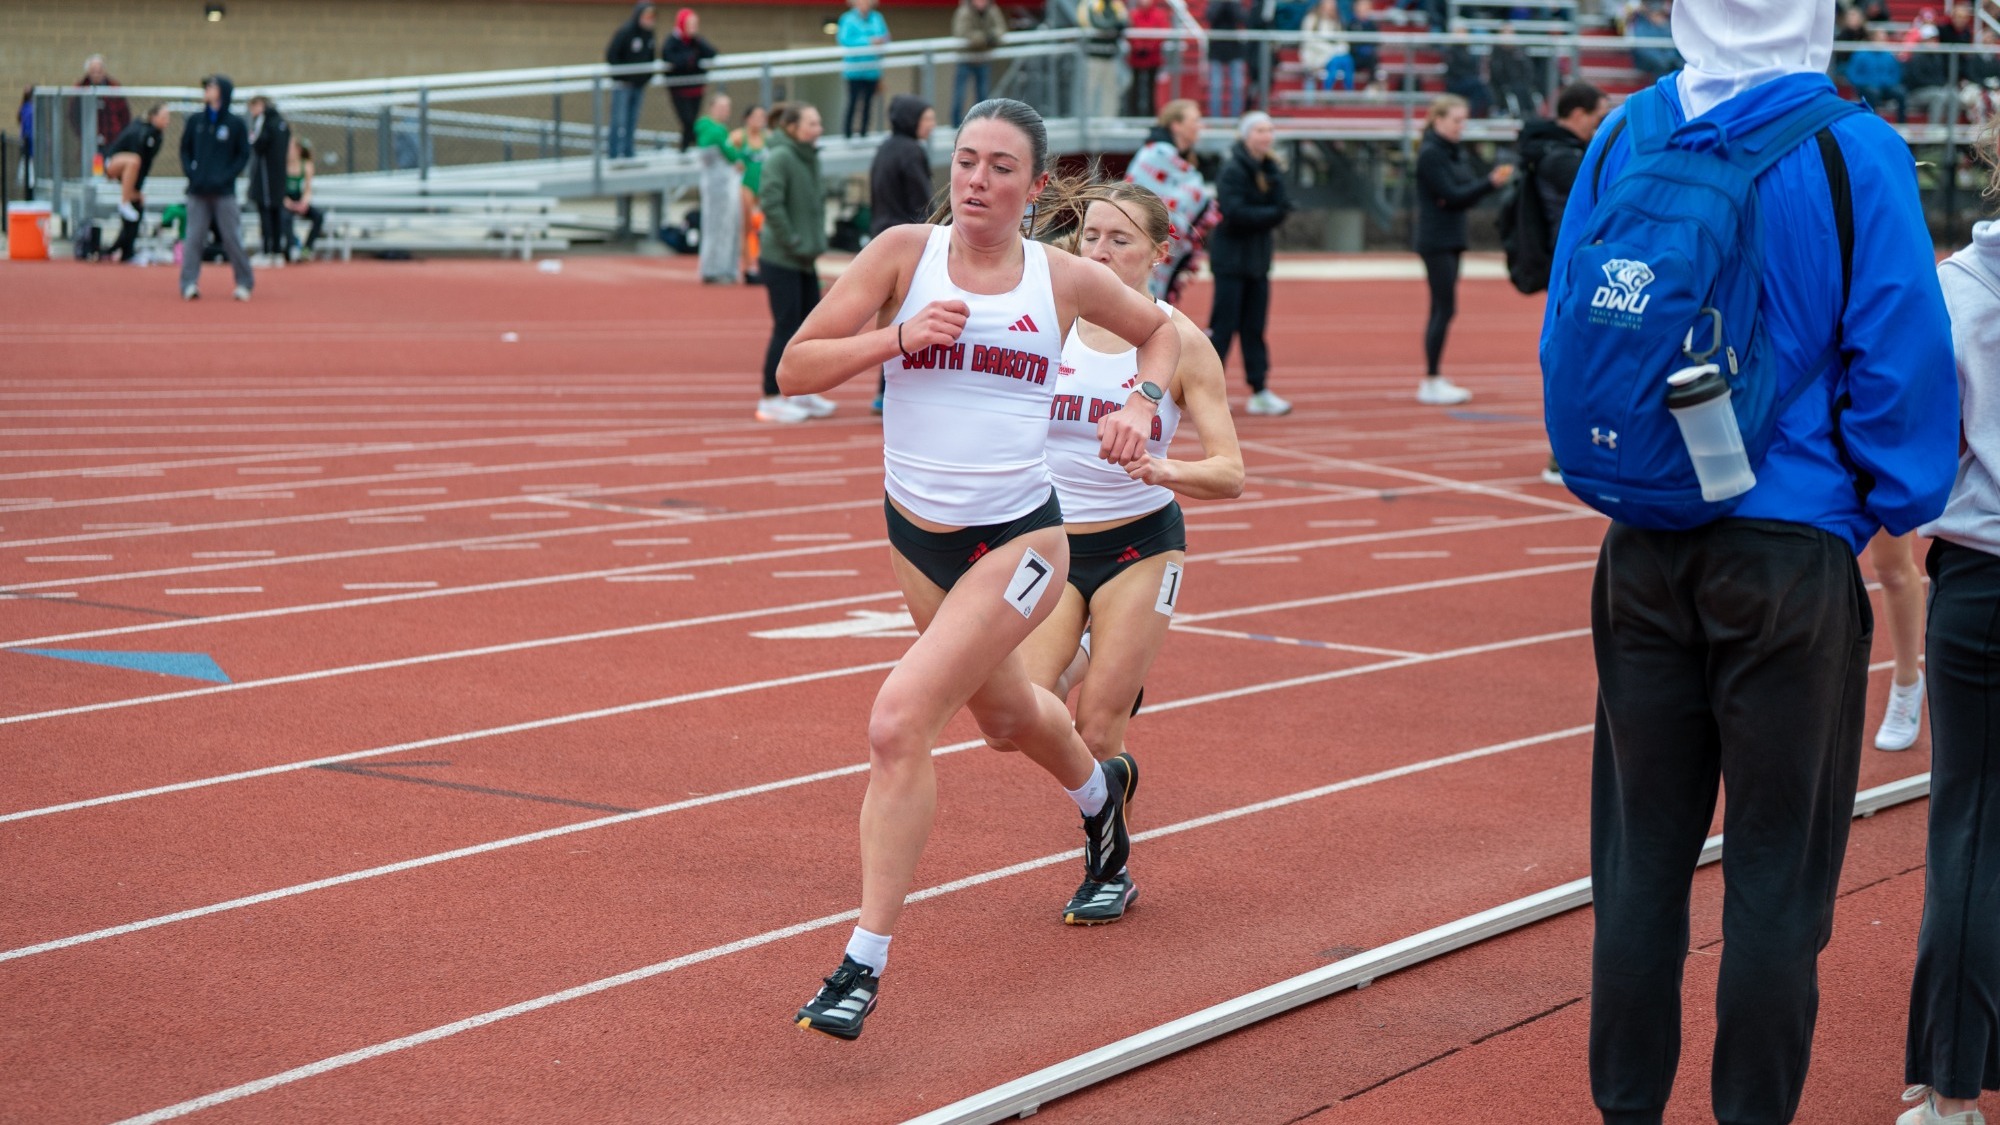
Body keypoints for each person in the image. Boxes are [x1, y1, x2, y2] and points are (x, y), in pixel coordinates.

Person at [1540, 1, 1960, 1120]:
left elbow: (1564, 325)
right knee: (1777, 875)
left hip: (1639, 541)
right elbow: (1900, 348)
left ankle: (1625, 1111)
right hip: (1787, 544)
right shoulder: (1848, 143)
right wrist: (1881, 499)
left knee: (1636, 867)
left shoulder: (1625, 131)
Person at [780, 97, 1178, 1041]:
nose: (977, 181)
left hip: (1021, 540)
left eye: (1002, 166)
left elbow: (1159, 331)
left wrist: (1140, 401)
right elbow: (794, 368)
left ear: (1035, 187)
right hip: (916, 533)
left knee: (897, 721)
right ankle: (1102, 798)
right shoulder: (899, 256)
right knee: (1003, 719)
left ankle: (861, 964)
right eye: (966, 161)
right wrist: (896, 338)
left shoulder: (1064, 277)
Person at [997, 181, 1245, 923]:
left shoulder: (1180, 340)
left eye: (1120, 241)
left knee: (1099, 728)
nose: (1099, 252)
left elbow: (1230, 471)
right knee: (1019, 717)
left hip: (1141, 545)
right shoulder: (1050, 322)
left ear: (1159, 256)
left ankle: (1108, 867)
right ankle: (1084, 666)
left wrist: (1166, 467)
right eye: (1090, 235)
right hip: (1055, 542)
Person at [1900, 115, 2000, 1125]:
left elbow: (1913, 451)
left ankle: (1946, 1089)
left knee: (1970, 833)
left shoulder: (1950, 289)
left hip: (1979, 579)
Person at [1514, 82, 1608, 485]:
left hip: (1572, 267)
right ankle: (1564, 454)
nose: (1603, 124)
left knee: (1581, 359)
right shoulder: (1564, 159)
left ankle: (1572, 450)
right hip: (1575, 268)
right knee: (1578, 361)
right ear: (1578, 114)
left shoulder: (1552, 153)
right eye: (1599, 115)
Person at [1414, 94, 1510, 405]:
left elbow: (1460, 195)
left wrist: (1474, 189)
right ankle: (1430, 378)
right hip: (1436, 238)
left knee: (1442, 308)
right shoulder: (1431, 153)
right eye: (1456, 121)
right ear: (1438, 120)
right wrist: (1489, 184)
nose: (1461, 127)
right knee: (1444, 308)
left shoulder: (1453, 152)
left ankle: (1434, 376)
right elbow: (1453, 194)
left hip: (1452, 236)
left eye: (1463, 121)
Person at [757, 104, 838, 424]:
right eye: (812, 123)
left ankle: (802, 390)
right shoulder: (781, 157)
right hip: (782, 257)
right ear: (792, 127)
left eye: (819, 122)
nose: (819, 128)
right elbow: (771, 202)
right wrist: (792, 240)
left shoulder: (809, 157)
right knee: (786, 327)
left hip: (804, 258)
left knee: (809, 330)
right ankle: (769, 397)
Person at [1209, 112, 1294, 416]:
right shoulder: (1232, 168)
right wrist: (1270, 214)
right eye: (1259, 129)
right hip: (1230, 260)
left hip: (1258, 261)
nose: (1266, 135)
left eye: (1270, 129)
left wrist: (1268, 213)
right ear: (1246, 134)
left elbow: (1283, 205)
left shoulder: (1271, 167)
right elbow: (1235, 213)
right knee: (1223, 327)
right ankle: (1204, 391)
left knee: (1254, 328)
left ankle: (1259, 390)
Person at [869, 95, 939, 412]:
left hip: (879, 240)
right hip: (909, 246)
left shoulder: (884, 148)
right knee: (909, 317)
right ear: (912, 120)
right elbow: (924, 203)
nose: (932, 124)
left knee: (890, 317)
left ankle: (884, 390)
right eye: (927, 118)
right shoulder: (912, 152)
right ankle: (892, 390)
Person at [1126, 99, 1216, 304]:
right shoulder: (1157, 154)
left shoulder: (1173, 155)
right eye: (1195, 120)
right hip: (1143, 237)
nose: (1199, 126)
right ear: (1176, 125)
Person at [179, 75, 254, 303]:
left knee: (232, 238)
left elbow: (243, 156)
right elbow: (185, 150)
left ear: (222, 91)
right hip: (198, 191)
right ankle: (188, 284)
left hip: (224, 192)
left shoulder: (235, 124)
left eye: (210, 87)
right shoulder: (195, 121)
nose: (206, 90)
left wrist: (226, 177)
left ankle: (244, 283)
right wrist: (193, 174)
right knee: (193, 238)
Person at [101, 103, 168, 263]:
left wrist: (137, 190)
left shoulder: (156, 136)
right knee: (134, 161)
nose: (167, 121)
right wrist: (130, 189)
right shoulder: (140, 131)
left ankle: (125, 251)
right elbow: (136, 161)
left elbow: (145, 166)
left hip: (129, 173)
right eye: (164, 117)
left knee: (137, 206)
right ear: (153, 117)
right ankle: (124, 202)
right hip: (113, 164)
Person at [694, 91, 744, 285]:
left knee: (724, 226)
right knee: (718, 226)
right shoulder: (713, 130)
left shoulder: (716, 130)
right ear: (712, 108)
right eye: (722, 107)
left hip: (720, 185)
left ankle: (723, 268)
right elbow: (729, 154)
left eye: (728, 107)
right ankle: (715, 269)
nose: (726, 111)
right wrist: (735, 157)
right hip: (718, 186)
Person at [606, 1, 658, 160]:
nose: (650, 20)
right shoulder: (626, 32)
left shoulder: (649, 34)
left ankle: (628, 151)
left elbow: (650, 57)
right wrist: (623, 76)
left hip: (639, 85)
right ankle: (613, 153)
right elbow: (612, 55)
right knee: (618, 120)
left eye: (652, 16)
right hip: (623, 85)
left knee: (632, 119)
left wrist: (646, 76)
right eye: (647, 16)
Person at [244, 96, 291, 265]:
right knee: (276, 213)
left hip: (266, 178)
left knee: (267, 213)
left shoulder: (266, 122)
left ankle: (267, 251)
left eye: (252, 107)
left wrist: (252, 136)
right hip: (278, 177)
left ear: (260, 105)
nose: (251, 112)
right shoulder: (282, 122)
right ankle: (276, 251)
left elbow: (258, 144)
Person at [662, 8, 717, 151]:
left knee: (692, 121)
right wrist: (690, 58)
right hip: (679, 89)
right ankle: (687, 150)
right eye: (689, 24)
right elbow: (670, 58)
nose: (692, 27)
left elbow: (711, 52)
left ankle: (689, 149)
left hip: (696, 88)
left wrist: (696, 41)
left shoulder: (696, 41)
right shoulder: (673, 40)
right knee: (688, 121)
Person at [838, 0, 892, 138]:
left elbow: (886, 36)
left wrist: (880, 41)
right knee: (853, 102)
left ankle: (864, 132)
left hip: (872, 70)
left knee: (868, 103)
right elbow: (845, 40)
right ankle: (847, 133)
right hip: (854, 70)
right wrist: (869, 41)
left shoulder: (877, 17)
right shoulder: (847, 19)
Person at [952, 0, 1009, 125]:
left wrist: (992, 36)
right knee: (959, 97)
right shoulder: (964, 11)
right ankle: (956, 127)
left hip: (983, 59)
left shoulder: (992, 10)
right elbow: (963, 33)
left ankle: (983, 124)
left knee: (983, 96)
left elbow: (1001, 29)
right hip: (965, 59)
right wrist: (986, 38)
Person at [732, 104, 768, 282]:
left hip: (763, 185)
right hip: (746, 184)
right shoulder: (739, 136)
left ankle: (765, 263)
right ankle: (748, 265)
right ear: (748, 118)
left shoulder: (768, 138)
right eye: (757, 116)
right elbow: (727, 154)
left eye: (763, 116)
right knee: (747, 226)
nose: (760, 120)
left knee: (764, 227)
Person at [69, 54, 130, 155]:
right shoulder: (80, 88)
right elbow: (73, 114)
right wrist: (81, 133)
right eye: (93, 71)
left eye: (99, 71)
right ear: (88, 71)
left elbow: (124, 115)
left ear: (104, 71)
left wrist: (119, 133)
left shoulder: (114, 87)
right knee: (92, 167)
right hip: (89, 138)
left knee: (109, 166)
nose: (97, 74)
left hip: (111, 137)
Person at [1077, 0, 1128, 121]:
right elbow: (1088, 23)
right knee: (1089, 89)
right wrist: (1109, 26)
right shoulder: (1088, 4)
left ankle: (1108, 120)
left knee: (1110, 90)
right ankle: (1086, 121)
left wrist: (1111, 26)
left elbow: (1123, 23)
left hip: (1110, 56)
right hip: (1093, 56)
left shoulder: (1116, 5)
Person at [1844, 28, 1909, 123]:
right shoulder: (1860, 54)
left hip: (1886, 87)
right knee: (1873, 92)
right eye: (1880, 38)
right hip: (1866, 87)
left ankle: (1902, 124)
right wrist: (1866, 83)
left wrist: (1888, 83)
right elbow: (1852, 74)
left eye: (1884, 38)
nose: (1882, 40)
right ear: (1872, 38)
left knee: (1901, 93)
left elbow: (1896, 74)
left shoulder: (1889, 55)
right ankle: (1873, 122)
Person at [1125, 0, 1171, 118]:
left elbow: (1162, 33)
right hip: (1136, 57)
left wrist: (1149, 47)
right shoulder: (1134, 14)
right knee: (1135, 87)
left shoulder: (1158, 15)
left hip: (1152, 57)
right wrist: (1138, 46)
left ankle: (1150, 115)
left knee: (1151, 89)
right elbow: (1129, 32)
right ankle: (1133, 115)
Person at [283, 136, 325, 261]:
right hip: (286, 202)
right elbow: (278, 192)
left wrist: (304, 203)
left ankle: (307, 248)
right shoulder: (282, 165)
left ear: (298, 150)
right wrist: (289, 204)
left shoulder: (306, 166)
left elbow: (308, 189)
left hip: (300, 201)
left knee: (319, 216)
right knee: (285, 217)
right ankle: (292, 246)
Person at [1301, 0, 1356, 93]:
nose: (1331, 5)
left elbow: (1342, 40)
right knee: (1335, 62)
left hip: (1335, 55)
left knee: (1348, 60)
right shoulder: (1311, 19)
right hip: (1316, 55)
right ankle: (1327, 91)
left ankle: (1349, 91)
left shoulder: (1337, 20)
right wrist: (1331, 50)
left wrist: (1341, 49)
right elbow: (1310, 41)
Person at [1206, 0, 1249, 119]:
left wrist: (1232, 4)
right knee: (1216, 86)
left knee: (1237, 85)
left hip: (1234, 48)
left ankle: (1235, 118)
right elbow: (1210, 17)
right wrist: (1220, 3)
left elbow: (1242, 19)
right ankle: (1215, 119)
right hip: (1216, 48)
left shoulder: (1236, 4)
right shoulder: (1214, 3)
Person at [1629, 0, 1681, 83]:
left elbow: (1679, 45)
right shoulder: (1640, 24)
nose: (1655, 7)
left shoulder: (1672, 22)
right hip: (1654, 68)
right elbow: (1644, 49)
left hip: (1674, 66)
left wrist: (1673, 60)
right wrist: (1665, 61)